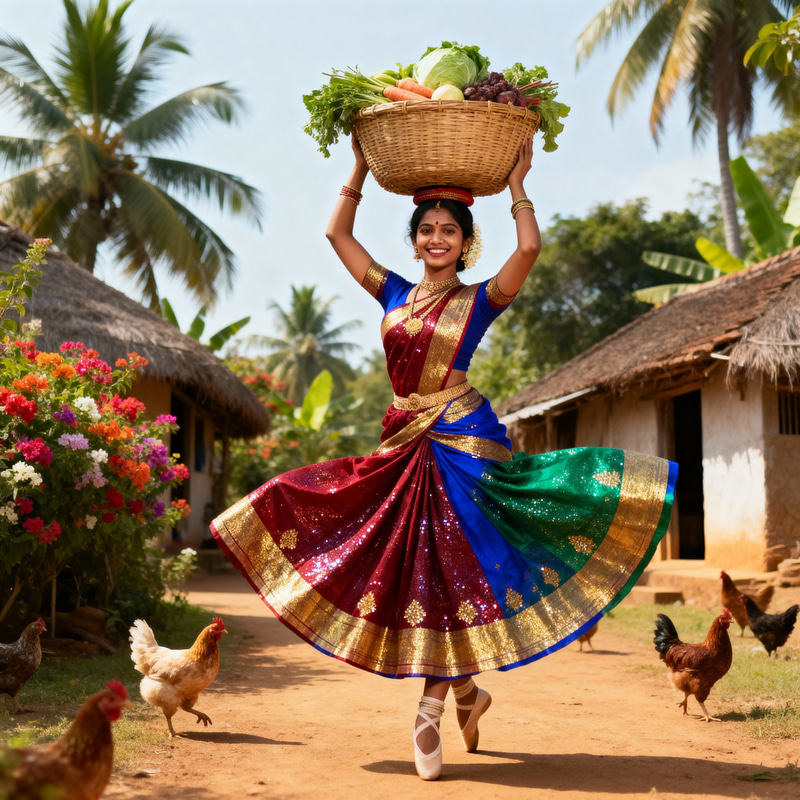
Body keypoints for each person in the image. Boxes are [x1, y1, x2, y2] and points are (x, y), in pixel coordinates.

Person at [211, 136, 677, 781]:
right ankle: (467, 692)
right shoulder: (392, 292)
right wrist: (359, 167)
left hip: (463, 441)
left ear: (465, 243)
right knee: (408, 565)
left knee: (457, 568)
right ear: (415, 239)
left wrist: (518, 181)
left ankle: (428, 714)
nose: (436, 238)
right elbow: (335, 234)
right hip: (403, 440)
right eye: (427, 229)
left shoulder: (480, 300)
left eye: (449, 231)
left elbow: (531, 249)